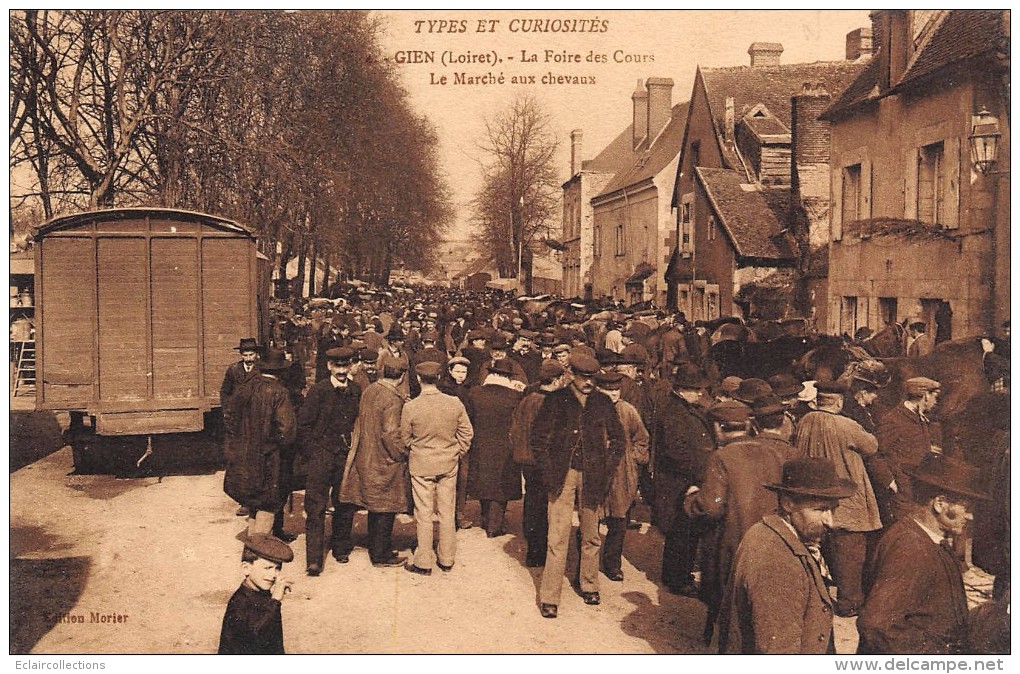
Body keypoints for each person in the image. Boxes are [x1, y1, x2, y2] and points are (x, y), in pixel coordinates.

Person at [686, 397, 801, 646]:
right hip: (770, 541)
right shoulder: (773, 454)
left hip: (732, 543)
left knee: (730, 610)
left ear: (717, 427)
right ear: (748, 425)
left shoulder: (722, 457)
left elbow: (711, 507)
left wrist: (691, 499)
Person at [857, 454, 990, 654]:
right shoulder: (909, 546)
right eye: (967, 508)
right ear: (940, 504)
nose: (970, 517)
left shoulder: (929, 539)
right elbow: (876, 625)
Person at [725, 457, 855, 654]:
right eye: (820, 509)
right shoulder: (777, 560)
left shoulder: (778, 534)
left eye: (833, 509)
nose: (830, 521)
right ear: (788, 504)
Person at [531, 352, 626, 618]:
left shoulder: (602, 402)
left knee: (591, 534)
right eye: (583, 377)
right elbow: (537, 439)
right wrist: (549, 471)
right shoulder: (555, 400)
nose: (588, 382)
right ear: (571, 374)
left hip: (593, 476)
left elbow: (619, 441)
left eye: (592, 378)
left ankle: (589, 584)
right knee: (557, 536)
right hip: (562, 475)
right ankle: (550, 596)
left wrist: (607, 468)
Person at [794, 379, 882, 618]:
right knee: (850, 551)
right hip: (845, 495)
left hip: (813, 493)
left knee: (819, 545)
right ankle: (849, 601)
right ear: (840, 401)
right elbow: (872, 446)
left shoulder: (805, 421)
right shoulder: (846, 425)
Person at [335, 356, 412, 568]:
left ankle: (370, 546)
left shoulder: (370, 389)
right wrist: (403, 453)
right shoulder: (392, 398)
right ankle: (381, 554)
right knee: (384, 508)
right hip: (383, 459)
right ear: (402, 375)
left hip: (364, 454)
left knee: (372, 504)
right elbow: (390, 434)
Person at [401, 360, 474, 575]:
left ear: (418, 379)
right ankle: (446, 558)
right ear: (441, 378)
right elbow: (467, 434)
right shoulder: (454, 403)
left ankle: (423, 561)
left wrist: (417, 450)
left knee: (423, 513)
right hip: (448, 463)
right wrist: (457, 452)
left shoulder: (411, 406)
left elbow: (404, 438)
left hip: (421, 464)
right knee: (447, 510)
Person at [652, 362, 716, 596]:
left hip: (683, 480)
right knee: (680, 531)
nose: (700, 393)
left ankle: (680, 574)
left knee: (685, 531)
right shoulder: (674, 413)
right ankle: (676, 579)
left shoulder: (683, 408)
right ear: (682, 389)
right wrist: (699, 473)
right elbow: (675, 452)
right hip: (678, 482)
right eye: (695, 389)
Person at [297, 347, 362, 576]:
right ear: (329, 367)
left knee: (344, 502)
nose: (342, 371)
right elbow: (303, 426)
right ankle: (314, 559)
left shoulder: (356, 390)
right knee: (315, 507)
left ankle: (340, 547)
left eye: (346, 366)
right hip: (321, 456)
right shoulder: (318, 391)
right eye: (338, 367)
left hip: (345, 456)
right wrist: (314, 454)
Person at [223, 348, 297, 538]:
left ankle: (252, 543)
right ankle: (258, 548)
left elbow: (229, 415)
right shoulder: (279, 392)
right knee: (268, 502)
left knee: (254, 498)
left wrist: (239, 439)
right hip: (268, 457)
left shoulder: (244, 387)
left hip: (244, 454)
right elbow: (287, 430)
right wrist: (278, 446)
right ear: (280, 371)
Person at [510, 359, 568, 567]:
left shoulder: (528, 398)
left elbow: (515, 428)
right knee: (548, 505)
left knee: (533, 500)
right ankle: (542, 551)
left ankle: (532, 546)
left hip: (527, 458)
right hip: (545, 461)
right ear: (558, 379)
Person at [598, 370, 649, 583]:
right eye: (607, 390)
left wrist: (634, 458)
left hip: (622, 473)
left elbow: (642, 438)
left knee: (619, 522)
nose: (613, 394)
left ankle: (612, 564)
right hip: (597, 473)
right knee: (590, 521)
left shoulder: (628, 411)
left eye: (616, 390)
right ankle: (586, 565)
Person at [466, 358, 525, 537]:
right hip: (504, 446)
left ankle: (485, 518)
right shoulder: (514, 396)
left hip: (480, 442)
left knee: (484, 480)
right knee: (501, 484)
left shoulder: (475, 393)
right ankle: (494, 525)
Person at [873, 376, 942, 523]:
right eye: (934, 396)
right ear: (925, 395)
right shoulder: (893, 420)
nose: (935, 402)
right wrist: (890, 482)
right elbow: (875, 454)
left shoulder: (918, 417)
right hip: (902, 492)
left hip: (916, 490)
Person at [218, 534, 294, 654]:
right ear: (246, 568)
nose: (273, 574)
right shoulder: (239, 602)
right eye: (267, 568)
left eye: (277, 568)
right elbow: (259, 634)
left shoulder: (262, 594)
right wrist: (275, 601)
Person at [220, 337, 261, 404]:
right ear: (241, 355)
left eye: (251, 355)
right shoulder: (233, 369)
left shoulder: (261, 369)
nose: (248, 358)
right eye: (245, 355)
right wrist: (227, 410)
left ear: (256, 354)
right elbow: (225, 392)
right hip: (237, 410)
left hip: (256, 410)